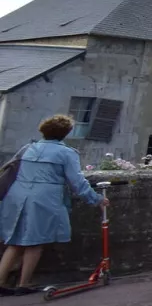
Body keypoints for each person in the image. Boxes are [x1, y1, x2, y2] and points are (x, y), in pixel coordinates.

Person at [0, 114, 107, 295]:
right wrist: (96, 199)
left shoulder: (28, 148)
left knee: (15, 241)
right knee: (35, 242)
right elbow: (77, 182)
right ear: (65, 133)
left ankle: (1, 281)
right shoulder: (67, 153)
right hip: (43, 198)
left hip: (17, 195)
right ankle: (23, 284)